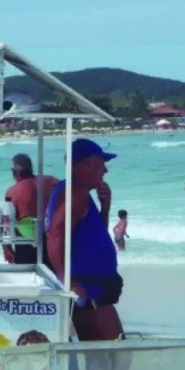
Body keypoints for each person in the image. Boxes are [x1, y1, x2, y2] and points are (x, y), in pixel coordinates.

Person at [46, 139, 124, 341]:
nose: (105, 170)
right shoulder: (76, 194)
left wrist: (104, 207)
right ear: (88, 164)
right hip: (90, 291)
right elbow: (55, 235)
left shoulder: (75, 193)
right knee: (115, 355)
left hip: (94, 289)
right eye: (102, 164)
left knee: (102, 356)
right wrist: (68, 279)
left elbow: (95, 237)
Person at [3, 153, 58, 265]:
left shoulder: (13, 192)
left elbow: (6, 223)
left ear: (14, 172)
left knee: (26, 278)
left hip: (26, 243)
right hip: (50, 240)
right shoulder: (51, 181)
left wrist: (6, 248)